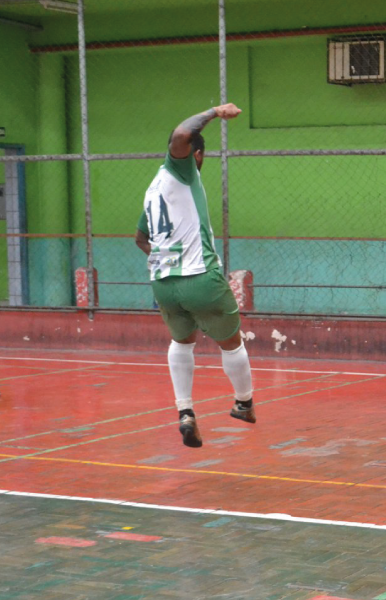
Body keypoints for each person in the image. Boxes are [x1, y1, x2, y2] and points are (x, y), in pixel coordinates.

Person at [135, 103, 255, 447]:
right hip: (200, 277)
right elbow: (181, 135)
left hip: (163, 283)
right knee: (232, 343)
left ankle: (185, 412)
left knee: (181, 342)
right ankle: (244, 402)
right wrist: (216, 111)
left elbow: (140, 239)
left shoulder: (153, 189)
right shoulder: (182, 169)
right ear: (197, 155)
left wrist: (165, 259)